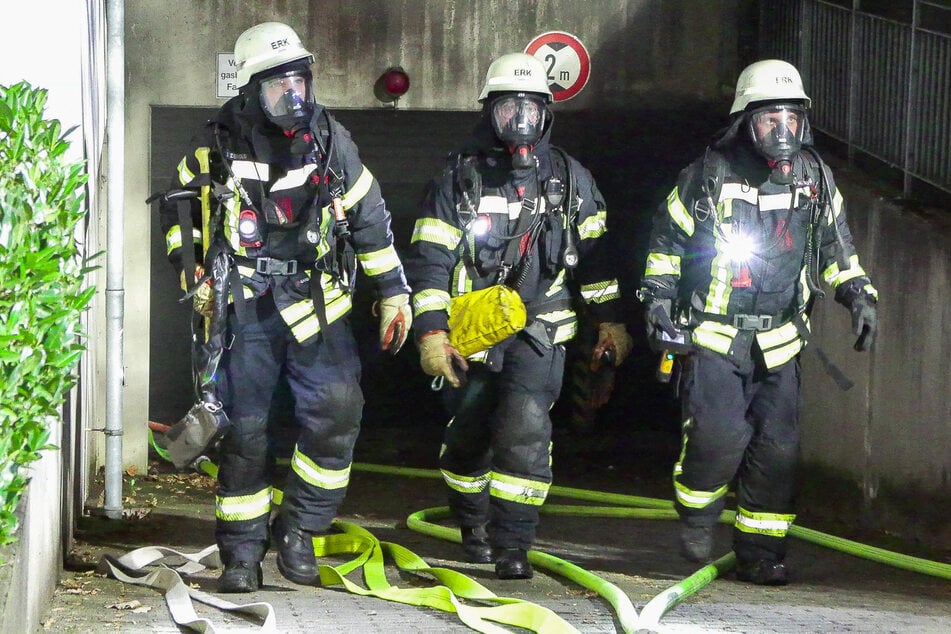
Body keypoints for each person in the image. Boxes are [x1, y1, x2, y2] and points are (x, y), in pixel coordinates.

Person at [159, 21, 412, 592]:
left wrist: (395, 291)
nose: (293, 97)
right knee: (245, 434)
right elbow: (179, 218)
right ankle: (242, 558)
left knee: (338, 414)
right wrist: (191, 269)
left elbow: (370, 219)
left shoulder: (331, 141)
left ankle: (299, 530)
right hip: (244, 308)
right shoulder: (215, 146)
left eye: (299, 83)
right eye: (279, 88)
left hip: (317, 303)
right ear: (251, 91)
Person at [639, 59, 878, 585]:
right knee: (718, 438)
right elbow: (667, 245)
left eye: (792, 119)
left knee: (778, 453)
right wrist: (657, 299)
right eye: (771, 119)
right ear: (745, 120)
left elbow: (836, 246)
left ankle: (761, 553)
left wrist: (858, 293)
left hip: (782, 340)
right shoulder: (707, 176)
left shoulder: (814, 177)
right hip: (715, 335)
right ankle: (698, 516)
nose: (783, 130)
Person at [404, 53, 633, 580]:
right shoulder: (458, 178)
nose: (520, 120)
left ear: (547, 112)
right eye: (509, 108)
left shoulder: (571, 181)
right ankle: (472, 523)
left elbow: (594, 260)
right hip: (475, 332)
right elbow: (431, 261)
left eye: (530, 108)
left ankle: (513, 544)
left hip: (541, 330)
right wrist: (433, 334)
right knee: (469, 436)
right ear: (490, 112)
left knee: (525, 430)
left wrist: (611, 321)